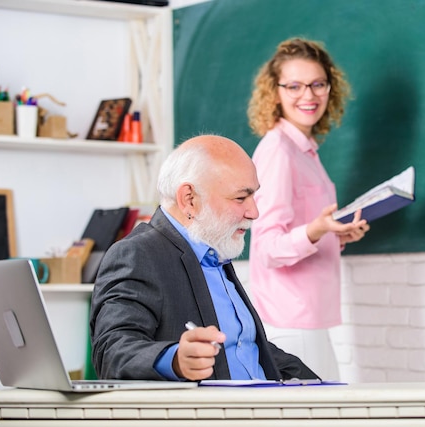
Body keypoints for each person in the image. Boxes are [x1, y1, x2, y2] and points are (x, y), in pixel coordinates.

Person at [90, 134, 318, 382]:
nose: (254, 212)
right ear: (189, 199)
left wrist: (322, 386)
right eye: (240, 198)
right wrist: (175, 360)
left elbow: (247, 348)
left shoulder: (215, 250)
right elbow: (111, 352)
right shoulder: (137, 254)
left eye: (254, 197)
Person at [247, 37, 371, 380]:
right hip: (289, 319)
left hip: (306, 317)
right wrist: (317, 230)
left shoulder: (305, 151)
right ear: (275, 91)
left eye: (318, 84)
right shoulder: (279, 151)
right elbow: (268, 248)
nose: (309, 95)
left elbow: (303, 229)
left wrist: (336, 234)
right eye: (295, 86)